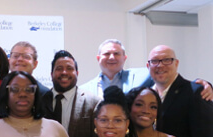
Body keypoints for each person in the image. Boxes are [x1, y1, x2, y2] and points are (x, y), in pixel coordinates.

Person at [81, 39, 213, 100]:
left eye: (116, 54)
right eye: (106, 54)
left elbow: (171, 77)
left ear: (124, 58)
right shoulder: (84, 89)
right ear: (98, 58)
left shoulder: (144, 74)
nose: (111, 57)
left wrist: (202, 83)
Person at [42, 50, 101, 137]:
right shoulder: (40, 100)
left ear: (77, 73)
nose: (64, 72)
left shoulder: (93, 103)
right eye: (59, 69)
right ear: (51, 74)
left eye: (69, 68)